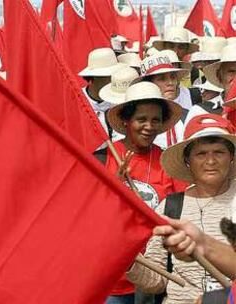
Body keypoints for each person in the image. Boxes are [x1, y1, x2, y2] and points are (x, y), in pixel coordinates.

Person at [127, 114, 236, 303]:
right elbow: (157, 280)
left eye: (219, 152)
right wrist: (128, 258)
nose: (211, 161)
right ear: (188, 161)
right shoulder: (170, 207)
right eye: (201, 154)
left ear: (232, 158)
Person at [94, 81, 182, 303]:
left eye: (155, 120)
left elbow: (181, 211)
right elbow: (87, 214)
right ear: (126, 120)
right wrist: (113, 189)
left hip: (155, 278)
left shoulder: (167, 162)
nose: (149, 126)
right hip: (112, 277)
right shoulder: (104, 158)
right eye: (141, 119)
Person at [137, 53, 188, 150]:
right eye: (161, 79)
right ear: (148, 84)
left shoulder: (186, 115)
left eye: (173, 77)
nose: (170, 83)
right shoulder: (135, 120)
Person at [78, 48, 125, 147]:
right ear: (95, 76)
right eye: (109, 75)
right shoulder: (77, 101)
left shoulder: (121, 99)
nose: (113, 79)